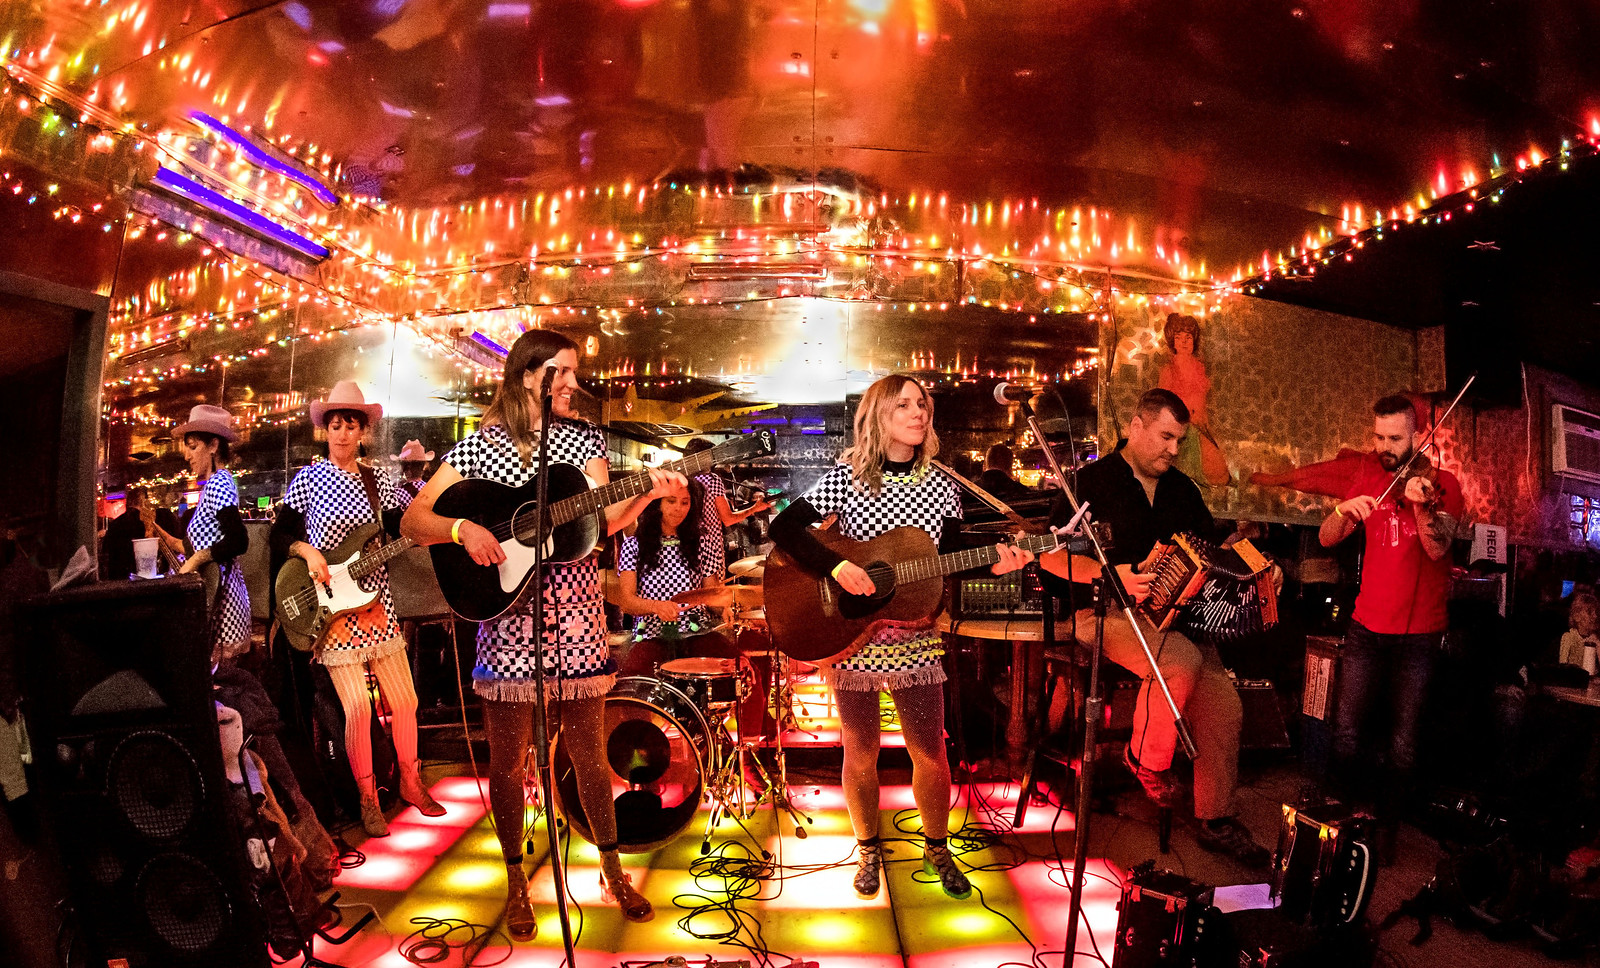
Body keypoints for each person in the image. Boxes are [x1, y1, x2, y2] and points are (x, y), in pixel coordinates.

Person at [401, 330, 682, 939]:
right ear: (528, 375)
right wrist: (460, 533)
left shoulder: (585, 441)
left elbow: (600, 521)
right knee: (507, 760)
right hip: (507, 620)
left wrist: (644, 494)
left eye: (575, 373)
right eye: (562, 373)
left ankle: (611, 867)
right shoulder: (478, 448)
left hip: (578, 615)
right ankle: (512, 881)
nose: (572, 385)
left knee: (587, 751)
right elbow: (414, 518)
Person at [768, 374, 1033, 900]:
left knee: (928, 749)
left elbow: (947, 564)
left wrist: (998, 566)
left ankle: (939, 848)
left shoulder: (943, 484)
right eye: (905, 404)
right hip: (855, 639)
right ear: (880, 415)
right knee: (859, 749)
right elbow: (784, 528)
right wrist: (840, 565)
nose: (919, 413)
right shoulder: (848, 477)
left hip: (916, 638)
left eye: (923, 404)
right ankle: (867, 851)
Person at [1040, 388, 1270, 867]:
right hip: (1104, 614)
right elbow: (1050, 557)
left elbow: (1213, 549)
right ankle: (1145, 760)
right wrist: (1111, 574)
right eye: (1165, 436)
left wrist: (1252, 558)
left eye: (1179, 440)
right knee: (1179, 661)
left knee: (1224, 706)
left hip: (1178, 619)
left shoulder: (1183, 489)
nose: (1172, 448)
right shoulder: (1087, 483)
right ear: (1135, 426)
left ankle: (1215, 817)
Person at [272, 382, 443, 838]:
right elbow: (279, 536)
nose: (343, 434)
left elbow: (401, 524)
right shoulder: (306, 479)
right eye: (335, 425)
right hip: (331, 612)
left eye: (351, 425)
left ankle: (410, 780)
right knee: (357, 710)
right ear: (324, 431)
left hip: (377, 606)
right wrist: (307, 553)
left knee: (406, 700)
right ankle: (367, 797)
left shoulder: (378, 480)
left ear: (363, 432)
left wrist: (443, 527)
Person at [1319, 393, 1463, 822]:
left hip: (1420, 632)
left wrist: (1421, 506)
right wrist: (1344, 510)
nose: (1385, 446)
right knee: (1346, 728)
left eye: (1395, 438)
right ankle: (1341, 814)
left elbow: (1438, 550)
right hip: (1367, 625)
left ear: (1417, 436)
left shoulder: (1446, 484)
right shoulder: (1368, 475)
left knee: (1404, 737)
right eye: (1379, 436)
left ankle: (1391, 823)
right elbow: (1328, 538)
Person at [614, 479, 769, 747]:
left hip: (697, 630)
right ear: (656, 504)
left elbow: (710, 595)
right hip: (651, 634)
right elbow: (627, 601)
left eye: (685, 502)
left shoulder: (702, 542)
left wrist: (726, 607)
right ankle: (646, 765)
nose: (678, 509)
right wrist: (656, 606)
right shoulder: (633, 545)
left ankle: (746, 757)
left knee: (746, 673)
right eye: (671, 501)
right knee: (630, 690)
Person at [173, 405, 252, 664]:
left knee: (219, 686)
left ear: (213, 446)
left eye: (193, 447)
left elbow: (238, 540)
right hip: (220, 602)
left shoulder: (219, 481)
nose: (187, 455)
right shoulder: (214, 485)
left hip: (224, 607)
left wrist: (197, 560)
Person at [1156, 313, 1229, 486]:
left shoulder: (1200, 368)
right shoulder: (1169, 370)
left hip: (1202, 428)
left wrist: (1203, 423)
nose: (1184, 341)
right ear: (1172, 341)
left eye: (1188, 337)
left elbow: (1202, 400)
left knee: (1218, 474)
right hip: (1181, 432)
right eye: (1178, 337)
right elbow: (1162, 405)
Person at [682, 437, 771, 563]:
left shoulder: (681, 481)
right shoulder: (712, 480)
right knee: (713, 582)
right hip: (708, 546)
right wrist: (755, 508)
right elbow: (728, 519)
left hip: (685, 544)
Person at [105, 486, 183, 579]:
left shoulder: (115, 523)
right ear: (144, 502)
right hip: (145, 577)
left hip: (118, 578)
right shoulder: (147, 521)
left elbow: (106, 550)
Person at [1559, 590, 1600, 674]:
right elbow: (1563, 664)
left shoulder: (1595, 638)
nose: (1595, 616)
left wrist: (1598, 645)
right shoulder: (1569, 637)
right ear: (1577, 616)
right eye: (1589, 612)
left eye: (1596, 612)